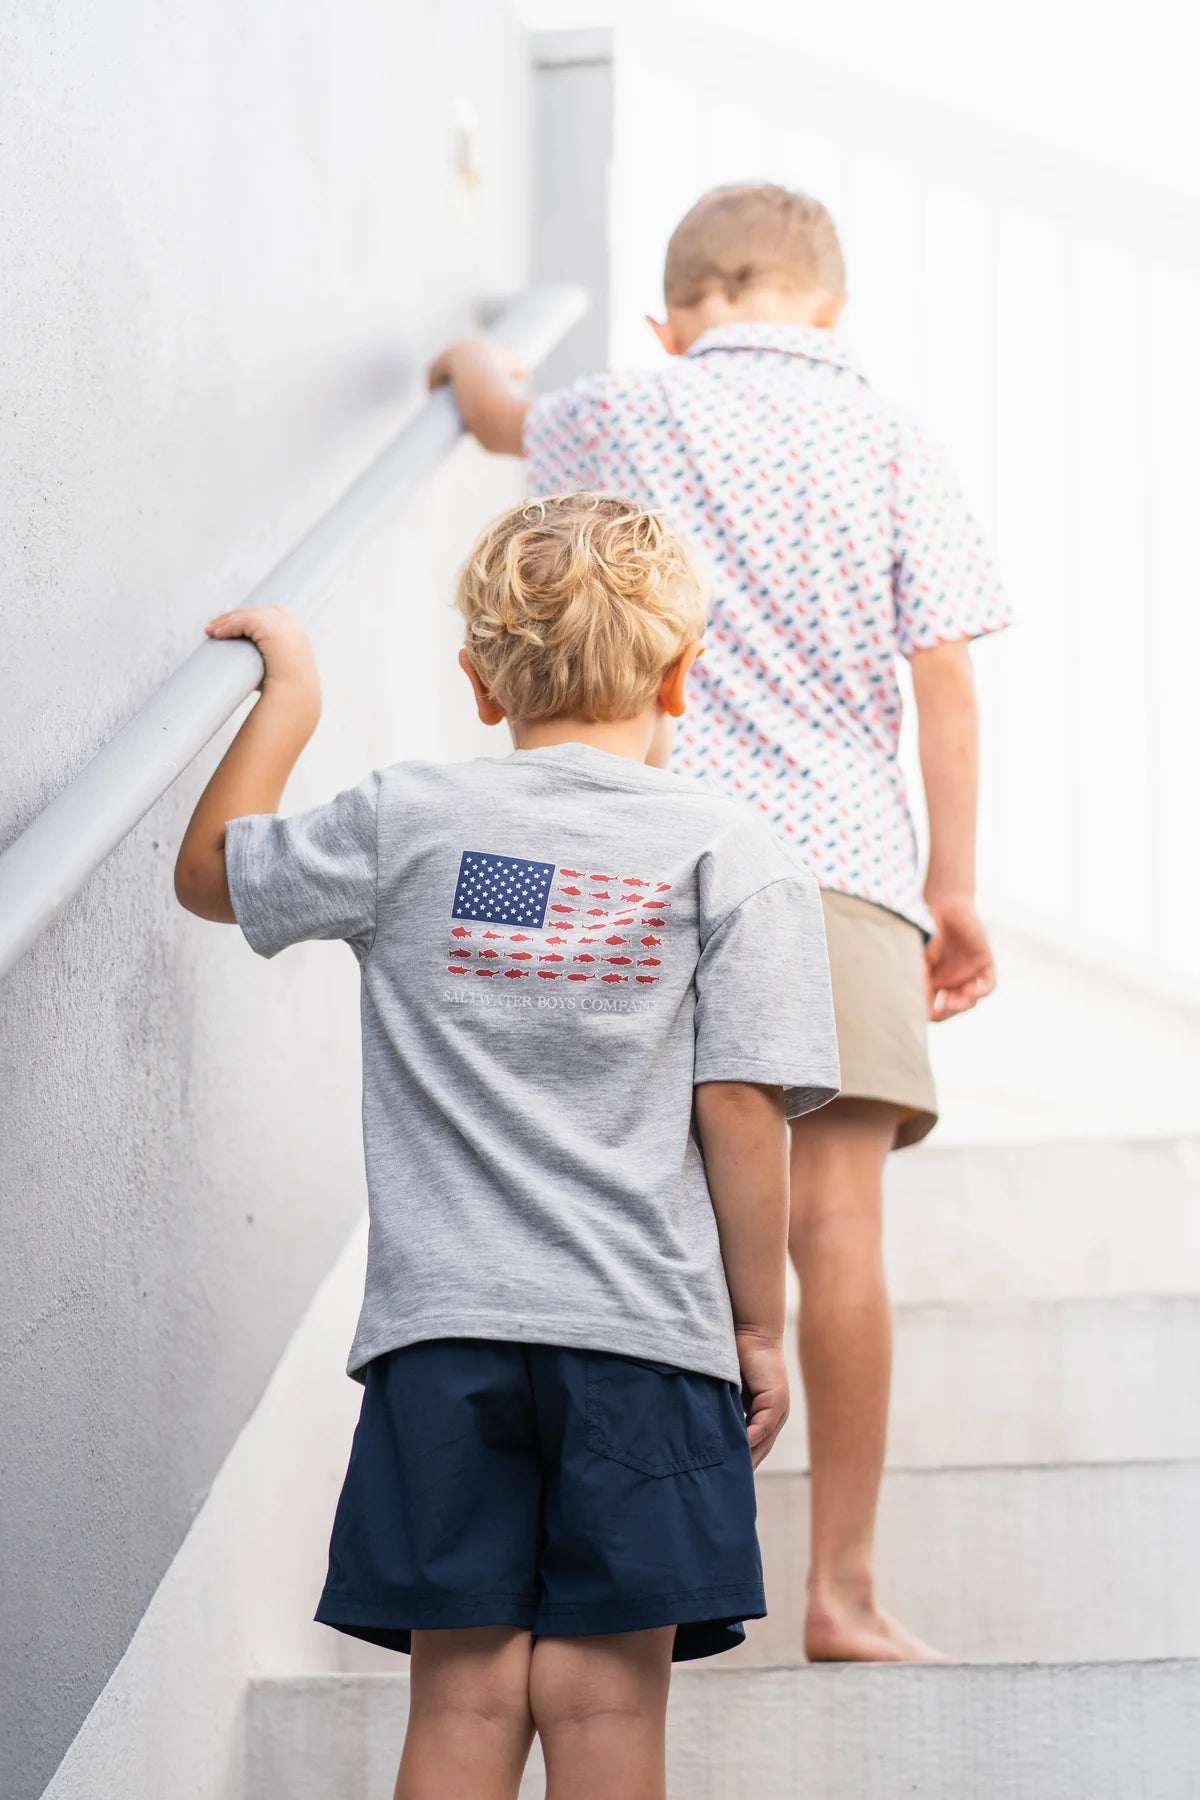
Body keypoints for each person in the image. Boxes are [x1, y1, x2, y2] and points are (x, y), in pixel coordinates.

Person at [173, 491, 839, 1800]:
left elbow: (211, 872)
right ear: (684, 672)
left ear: (479, 680)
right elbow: (744, 1110)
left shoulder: (402, 821)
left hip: (446, 1340)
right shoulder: (732, 850)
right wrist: (758, 1326)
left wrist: (291, 701)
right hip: (645, 1339)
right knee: (603, 1707)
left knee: (464, 1698)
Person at [428, 182, 1011, 1662]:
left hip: (658, 867)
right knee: (838, 1226)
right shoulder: (892, 434)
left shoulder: (618, 407)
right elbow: (944, 674)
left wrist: (462, 364)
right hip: (844, 867)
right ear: (831, 307)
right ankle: (844, 1590)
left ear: (669, 315)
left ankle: (626, 1570)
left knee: (650, 1206)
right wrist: (951, 884)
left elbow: (506, 415)